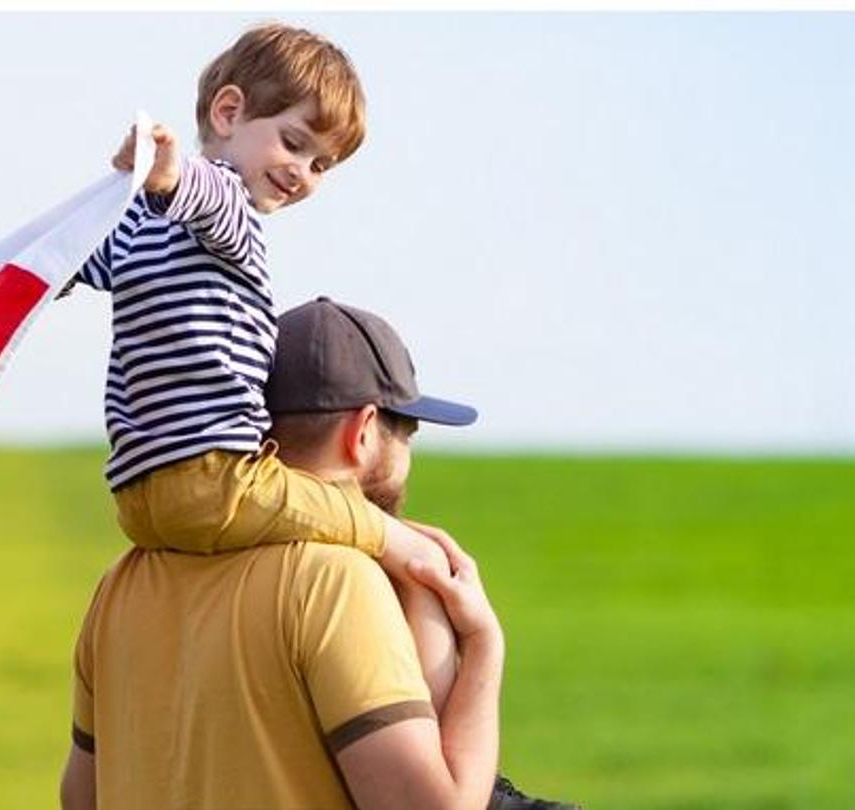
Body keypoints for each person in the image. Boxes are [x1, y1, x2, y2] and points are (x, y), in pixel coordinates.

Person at [0, 22, 469, 714]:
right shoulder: (228, 213)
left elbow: (68, 264)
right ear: (228, 113)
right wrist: (166, 172)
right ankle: (415, 574)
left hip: (140, 498)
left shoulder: (141, 225)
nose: (302, 174)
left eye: (322, 165)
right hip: (216, 474)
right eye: (294, 142)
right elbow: (201, 202)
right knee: (355, 518)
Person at [58, 298, 576, 810]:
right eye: (407, 433)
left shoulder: (119, 585)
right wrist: (484, 648)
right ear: (364, 432)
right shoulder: (334, 581)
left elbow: (81, 799)